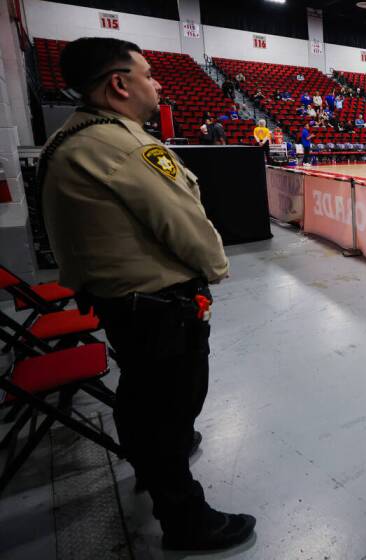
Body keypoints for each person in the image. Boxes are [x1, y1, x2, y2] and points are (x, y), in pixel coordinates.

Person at [41, 37, 255, 551]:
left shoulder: (71, 137)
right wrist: (216, 269)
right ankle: (186, 519)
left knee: (140, 397)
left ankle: (159, 458)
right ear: (119, 84)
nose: (157, 83)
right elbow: (184, 222)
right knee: (170, 406)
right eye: (148, 74)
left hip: (122, 302)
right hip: (156, 306)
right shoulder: (125, 146)